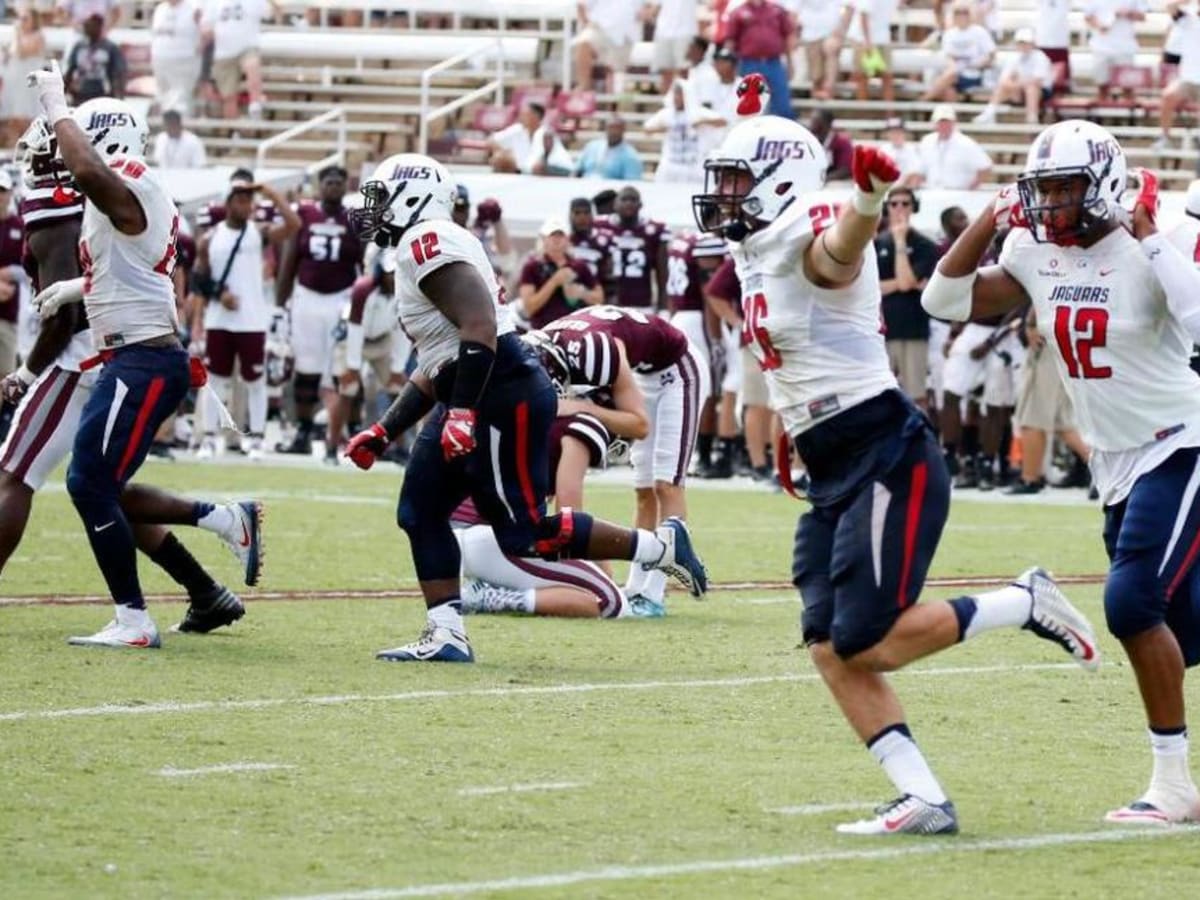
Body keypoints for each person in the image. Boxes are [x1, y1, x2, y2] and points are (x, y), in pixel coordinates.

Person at [694, 113, 1099, 835]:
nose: (722, 195)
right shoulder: (752, 245)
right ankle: (923, 796)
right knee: (827, 643)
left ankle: (1021, 600)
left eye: (734, 180)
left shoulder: (808, 226)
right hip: (831, 459)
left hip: (884, 449)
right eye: (721, 180)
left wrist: (868, 202)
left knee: (866, 640)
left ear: (779, 178)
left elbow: (835, 259)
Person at [923, 118, 1200, 824]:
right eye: (1039, 189)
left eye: (1064, 187)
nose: (1049, 205)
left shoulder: (1152, 242)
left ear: (1104, 183)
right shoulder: (1030, 247)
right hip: (1114, 460)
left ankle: (1172, 786)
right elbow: (944, 301)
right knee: (1181, 629)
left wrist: (1150, 239)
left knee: (1132, 603)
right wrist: (988, 216)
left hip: (1182, 441)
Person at [345, 153, 709, 662]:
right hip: (475, 386)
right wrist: (384, 430)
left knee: (525, 533)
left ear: (413, 197)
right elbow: (437, 361)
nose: (374, 211)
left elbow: (479, 328)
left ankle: (659, 549)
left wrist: (465, 412)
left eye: (381, 199)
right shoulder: (421, 245)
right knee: (420, 510)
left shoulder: (425, 240)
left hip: (500, 390)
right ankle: (447, 633)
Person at [22, 73, 266, 647]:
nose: (63, 150)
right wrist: (75, 290)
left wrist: (57, 102)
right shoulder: (121, 194)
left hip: (144, 359)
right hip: (135, 355)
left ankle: (133, 619)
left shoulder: (128, 179)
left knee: (88, 483)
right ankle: (222, 522)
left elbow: (88, 171)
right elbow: (129, 272)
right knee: (106, 485)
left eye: (74, 138)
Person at [543, 305, 709, 617]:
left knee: (667, 485)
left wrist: (584, 408)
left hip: (678, 369)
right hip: (641, 374)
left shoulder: (595, 349)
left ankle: (655, 594)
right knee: (643, 490)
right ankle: (635, 588)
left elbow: (638, 424)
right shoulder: (551, 343)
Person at [192, 175, 299, 459]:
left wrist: (272, 194)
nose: (246, 205)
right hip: (220, 319)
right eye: (240, 200)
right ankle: (210, 438)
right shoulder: (210, 238)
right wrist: (218, 294)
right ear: (228, 203)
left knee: (255, 380)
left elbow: (293, 225)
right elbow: (198, 279)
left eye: (249, 200)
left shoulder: (257, 231)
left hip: (252, 319)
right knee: (216, 381)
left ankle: (257, 437)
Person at [274, 165, 358, 461]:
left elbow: (362, 265)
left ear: (345, 186)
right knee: (306, 369)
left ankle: (341, 433)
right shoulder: (305, 214)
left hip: (341, 298)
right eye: (329, 182)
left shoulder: (354, 219)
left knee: (341, 371)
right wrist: (279, 305)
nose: (333, 187)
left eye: (338, 182)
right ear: (320, 186)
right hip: (307, 297)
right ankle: (304, 429)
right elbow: (290, 260)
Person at [877, 187, 938, 410]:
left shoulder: (925, 245)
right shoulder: (876, 243)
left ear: (913, 207)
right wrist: (905, 283)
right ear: (887, 208)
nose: (900, 208)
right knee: (879, 395)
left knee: (916, 395)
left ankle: (918, 443)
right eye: (894, 204)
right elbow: (875, 286)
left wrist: (901, 242)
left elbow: (904, 281)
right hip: (883, 330)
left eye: (905, 203)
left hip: (913, 329)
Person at [517, 219, 602, 330]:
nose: (556, 239)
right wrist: (554, 282)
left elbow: (599, 298)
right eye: (552, 235)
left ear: (567, 239)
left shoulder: (579, 266)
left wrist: (582, 293)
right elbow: (528, 308)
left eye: (560, 235)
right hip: (544, 331)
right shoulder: (532, 266)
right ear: (544, 239)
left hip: (574, 330)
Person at [596, 186, 670, 311]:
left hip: (641, 303)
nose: (628, 203)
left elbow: (662, 272)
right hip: (609, 303)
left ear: (641, 205)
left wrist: (663, 306)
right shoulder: (600, 226)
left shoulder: (654, 230)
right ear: (614, 204)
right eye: (624, 199)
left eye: (633, 199)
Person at [201, 0, 276, 119]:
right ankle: (234, 131)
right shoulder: (213, 3)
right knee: (229, 97)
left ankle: (255, 104)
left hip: (247, 46)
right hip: (223, 54)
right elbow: (206, 25)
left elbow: (271, 12)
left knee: (252, 65)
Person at [644, 79, 725, 184]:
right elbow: (647, 129)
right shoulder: (667, 114)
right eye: (675, 94)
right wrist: (663, 128)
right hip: (671, 165)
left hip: (693, 166)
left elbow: (722, 122)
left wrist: (701, 122)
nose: (676, 98)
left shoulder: (698, 112)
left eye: (680, 94)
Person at [724, 0, 795, 120]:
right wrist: (730, 66)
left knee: (782, 105)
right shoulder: (738, 12)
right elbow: (730, 41)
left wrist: (790, 63)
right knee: (748, 103)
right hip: (749, 63)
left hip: (774, 62)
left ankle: (781, 135)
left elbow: (787, 36)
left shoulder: (777, 10)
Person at [973, 28, 1054, 125]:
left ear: (1032, 43)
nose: (1023, 45)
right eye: (1021, 43)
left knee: (1031, 88)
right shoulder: (1013, 58)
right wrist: (1016, 86)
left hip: (1041, 91)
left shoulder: (1040, 57)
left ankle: (1032, 118)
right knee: (1003, 88)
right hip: (1019, 90)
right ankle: (989, 114)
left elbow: (1038, 81)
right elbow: (1003, 80)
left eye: (1026, 42)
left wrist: (1016, 84)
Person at [907, 104, 993, 190]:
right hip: (932, 191)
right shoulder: (927, 141)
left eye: (947, 121)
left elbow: (985, 167)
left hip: (958, 192)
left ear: (954, 122)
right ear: (934, 123)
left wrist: (970, 189)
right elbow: (919, 170)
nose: (944, 125)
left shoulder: (966, 143)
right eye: (941, 121)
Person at [922, 3, 995, 102]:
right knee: (948, 90)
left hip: (972, 73)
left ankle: (922, 100)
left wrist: (977, 64)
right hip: (953, 74)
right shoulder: (949, 34)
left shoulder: (979, 32)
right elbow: (948, 56)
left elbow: (991, 54)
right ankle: (950, 114)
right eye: (958, 13)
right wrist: (954, 66)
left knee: (951, 75)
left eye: (965, 13)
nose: (961, 16)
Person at [1152, 1, 1200, 151]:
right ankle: (1165, 137)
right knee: (1167, 96)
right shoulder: (1187, 17)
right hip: (1187, 78)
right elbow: (1169, 7)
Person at [0, 7, 46, 148]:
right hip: (15, 85)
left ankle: (30, 149)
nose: (21, 22)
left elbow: (22, 53)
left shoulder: (38, 37)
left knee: (27, 119)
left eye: (25, 19)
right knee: (13, 120)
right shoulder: (16, 38)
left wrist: (18, 34)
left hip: (28, 85)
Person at [150, 0, 202, 117]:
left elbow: (205, 30)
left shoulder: (194, 7)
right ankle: (166, 130)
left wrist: (199, 49)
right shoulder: (160, 9)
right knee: (163, 98)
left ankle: (181, 130)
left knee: (181, 100)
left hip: (184, 60)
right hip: (160, 60)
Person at [1083, 0, 1146, 95]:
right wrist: (1100, 26)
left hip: (1125, 47)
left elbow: (1142, 17)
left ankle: (1129, 108)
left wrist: (1128, 13)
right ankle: (1101, 108)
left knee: (1127, 87)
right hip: (1101, 47)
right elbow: (1088, 16)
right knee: (1102, 86)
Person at [63, 12, 126, 104]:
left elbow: (118, 73)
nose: (87, 28)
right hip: (80, 92)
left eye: (91, 25)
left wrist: (118, 97)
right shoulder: (79, 47)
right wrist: (64, 91)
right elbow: (70, 70)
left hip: (102, 93)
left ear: (99, 27)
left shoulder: (110, 48)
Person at [0, 171, 21, 385]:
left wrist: (10, 274)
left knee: (5, 374)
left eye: (2, 191)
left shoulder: (20, 226)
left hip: (9, 314)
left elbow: (29, 269)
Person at [649, 0, 699, 92]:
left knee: (684, 71)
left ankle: (686, 101)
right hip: (663, 33)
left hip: (685, 32)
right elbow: (654, 8)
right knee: (665, 72)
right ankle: (667, 104)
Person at [574, 116, 644, 181]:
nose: (613, 132)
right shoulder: (592, 146)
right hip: (585, 186)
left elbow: (631, 183)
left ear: (623, 130)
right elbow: (577, 171)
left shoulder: (630, 155)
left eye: (617, 129)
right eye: (610, 128)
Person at [567, 197, 612, 283]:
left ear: (592, 216)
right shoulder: (564, 242)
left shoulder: (605, 242)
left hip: (597, 293)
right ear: (570, 216)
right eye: (577, 213)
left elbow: (612, 275)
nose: (582, 217)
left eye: (586, 213)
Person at [807, 108, 854, 181]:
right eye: (811, 120)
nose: (810, 124)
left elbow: (845, 170)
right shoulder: (809, 141)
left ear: (826, 123)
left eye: (815, 121)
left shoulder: (842, 142)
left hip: (837, 184)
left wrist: (823, 179)